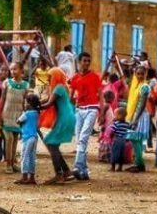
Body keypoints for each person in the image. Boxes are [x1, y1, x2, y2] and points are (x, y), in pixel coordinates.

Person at [39, 67, 76, 184]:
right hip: (66, 117)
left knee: (50, 143)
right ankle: (66, 171)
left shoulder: (59, 87)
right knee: (53, 145)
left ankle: (59, 174)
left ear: (56, 77)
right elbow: (47, 100)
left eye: (50, 77)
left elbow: (48, 103)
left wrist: (35, 106)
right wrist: (37, 102)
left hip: (65, 118)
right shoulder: (61, 87)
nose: (48, 80)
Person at [70, 52, 101, 180]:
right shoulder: (75, 78)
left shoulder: (95, 76)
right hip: (79, 110)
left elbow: (100, 94)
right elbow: (71, 96)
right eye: (84, 61)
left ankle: (77, 166)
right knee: (79, 139)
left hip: (92, 109)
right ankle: (84, 170)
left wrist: (101, 112)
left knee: (83, 137)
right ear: (79, 62)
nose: (87, 63)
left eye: (88, 61)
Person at [0, 62, 29, 174]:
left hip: (18, 114)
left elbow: (25, 102)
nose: (12, 72)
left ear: (21, 71)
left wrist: (25, 116)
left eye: (15, 69)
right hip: (7, 114)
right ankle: (8, 164)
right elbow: (2, 99)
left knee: (15, 139)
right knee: (9, 139)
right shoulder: (7, 83)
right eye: (11, 70)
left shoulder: (26, 85)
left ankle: (12, 163)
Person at [125, 65, 150, 173]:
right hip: (134, 114)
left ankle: (140, 164)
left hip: (140, 115)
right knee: (136, 140)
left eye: (142, 74)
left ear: (145, 74)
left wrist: (135, 120)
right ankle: (138, 163)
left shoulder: (144, 87)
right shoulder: (135, 85)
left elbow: (142, 104)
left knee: (135, 139)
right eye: (138, 74)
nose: (140, 76)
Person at [16, 94, 41, 185]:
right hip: (34, 137)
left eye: (26, 102)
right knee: (32, 157)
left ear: (29, 104)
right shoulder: (37, 113)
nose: (25, 104)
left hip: (27, 138)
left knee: (24, 156)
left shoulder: (26, 114)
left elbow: (18, 121)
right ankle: (32, 178)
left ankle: (24, 177)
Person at [97, 91, 116, 162]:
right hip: (107, 126)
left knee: (106, 141)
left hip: (108, 126)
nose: (110, 99)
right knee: (106, 141)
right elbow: (103, 114)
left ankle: (104, 156)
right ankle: (104, 157)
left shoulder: (107, 105)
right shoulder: (107, 105)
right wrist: (102, 122)